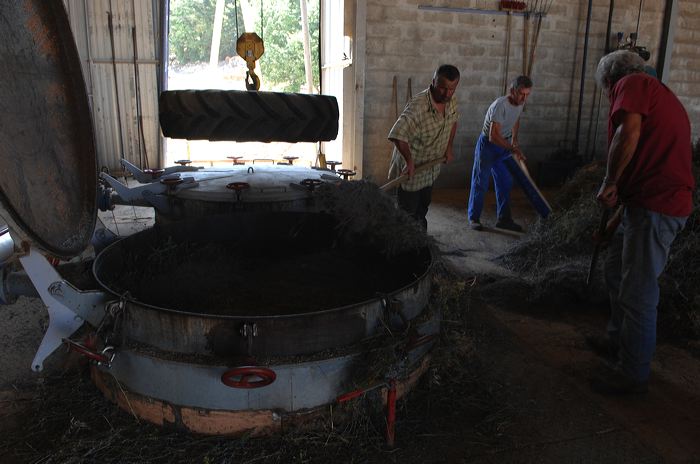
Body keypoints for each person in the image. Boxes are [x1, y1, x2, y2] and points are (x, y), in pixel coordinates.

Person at [588, 50, 695, 395]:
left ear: (610, 81)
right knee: (617, 270)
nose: (609, 99)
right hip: (645, 203)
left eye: (606, 91)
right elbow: (641, 178)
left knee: (638, 291)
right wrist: (612, 223)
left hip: (659, 207)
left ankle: (632, 375)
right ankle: (619, 342)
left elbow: (628, 133)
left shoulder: (633, 83)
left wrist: (609, 181)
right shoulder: (656, 92)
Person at [388, 64, 460, 230]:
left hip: (431, 168)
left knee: (423, 208)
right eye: (442, 88)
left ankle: (421, 240)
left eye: (452, 89)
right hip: (412, 172)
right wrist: (409, 161)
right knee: (407, 215)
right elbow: (397, 135)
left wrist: (448, 148)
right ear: (433, 81)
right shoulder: (418, 107)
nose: (447, 94)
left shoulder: (451, 101)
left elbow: (453, 122)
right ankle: (405, 247)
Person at [467, 75, 533, 232]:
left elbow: (516, 120)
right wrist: (512, 148)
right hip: (488, 146)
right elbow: (493, 135)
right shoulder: (500, 105)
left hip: (504, 145)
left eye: (527, 94)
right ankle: (474, 218)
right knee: (480, 182)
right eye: (521, 94)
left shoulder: (519, 103)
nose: (524, 98)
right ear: (512, 91)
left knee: (505, 182)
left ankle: (504, 219)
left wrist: (514, 140)